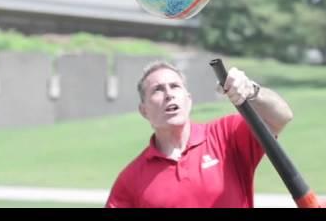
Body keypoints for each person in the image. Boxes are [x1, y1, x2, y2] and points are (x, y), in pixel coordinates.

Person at [105, 60, 293, 208]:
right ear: (143, 110)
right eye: (157, 90)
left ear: (189, 100)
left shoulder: (226, 135)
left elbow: (280, 117)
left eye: (175, 86)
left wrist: (252, 91)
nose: (169, 94)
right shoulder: (130, 180)